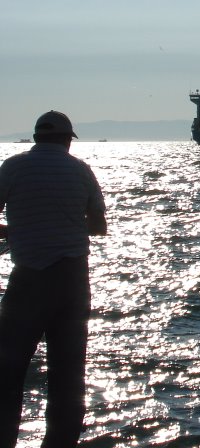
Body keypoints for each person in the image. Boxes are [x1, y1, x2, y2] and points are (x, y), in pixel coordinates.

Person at [0, 110, 107, 448]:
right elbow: (99, 227)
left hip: (27, 278)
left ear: (35, 138)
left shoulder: (12, 168)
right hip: (71, 281)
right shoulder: (81, 171)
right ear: (67, 140)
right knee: (68, 377)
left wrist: (16, 231)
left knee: (7, 372)